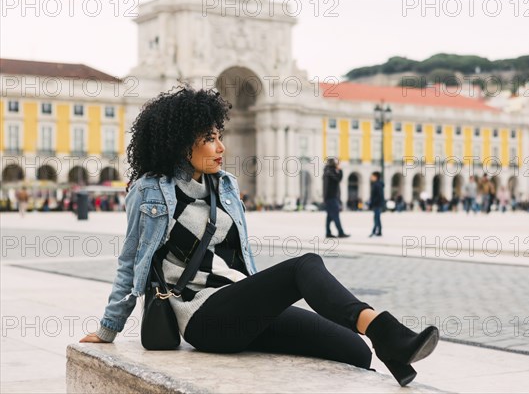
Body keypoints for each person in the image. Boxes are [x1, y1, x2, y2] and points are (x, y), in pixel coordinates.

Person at [79, 86, 438, 387]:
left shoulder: (226, 187)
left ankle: (391, 352)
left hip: (238, 304)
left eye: (220, 137)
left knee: (354, 350)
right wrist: (109, 328)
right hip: (203, 318)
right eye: (208, 139)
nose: (220, 147)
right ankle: (385, 330)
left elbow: (239, 258)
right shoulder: (150, 191)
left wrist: (261, 297)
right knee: (304, 265)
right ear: (179, 145)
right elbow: (131, 262)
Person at [322, 157, 350, 238]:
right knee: (335, 215)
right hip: (331, 198)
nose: (338, 164)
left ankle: (328, 232)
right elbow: (339, 179)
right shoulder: (330, 172)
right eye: (336, 163)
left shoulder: (328, 171)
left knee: (329, 217)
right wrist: (340, 170)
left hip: (329, 198)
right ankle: (340, 232)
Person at [369, 171, 384, 237]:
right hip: (377, 204)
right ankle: (379, 231)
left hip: (377, 204)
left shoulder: (377, 185)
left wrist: (373, 202)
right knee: (377, 218)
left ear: (375, 177)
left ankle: (374, 231)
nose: (371, 178)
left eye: (372, 176)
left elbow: (379, 195)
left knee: (376, 218)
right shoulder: (377, 184)